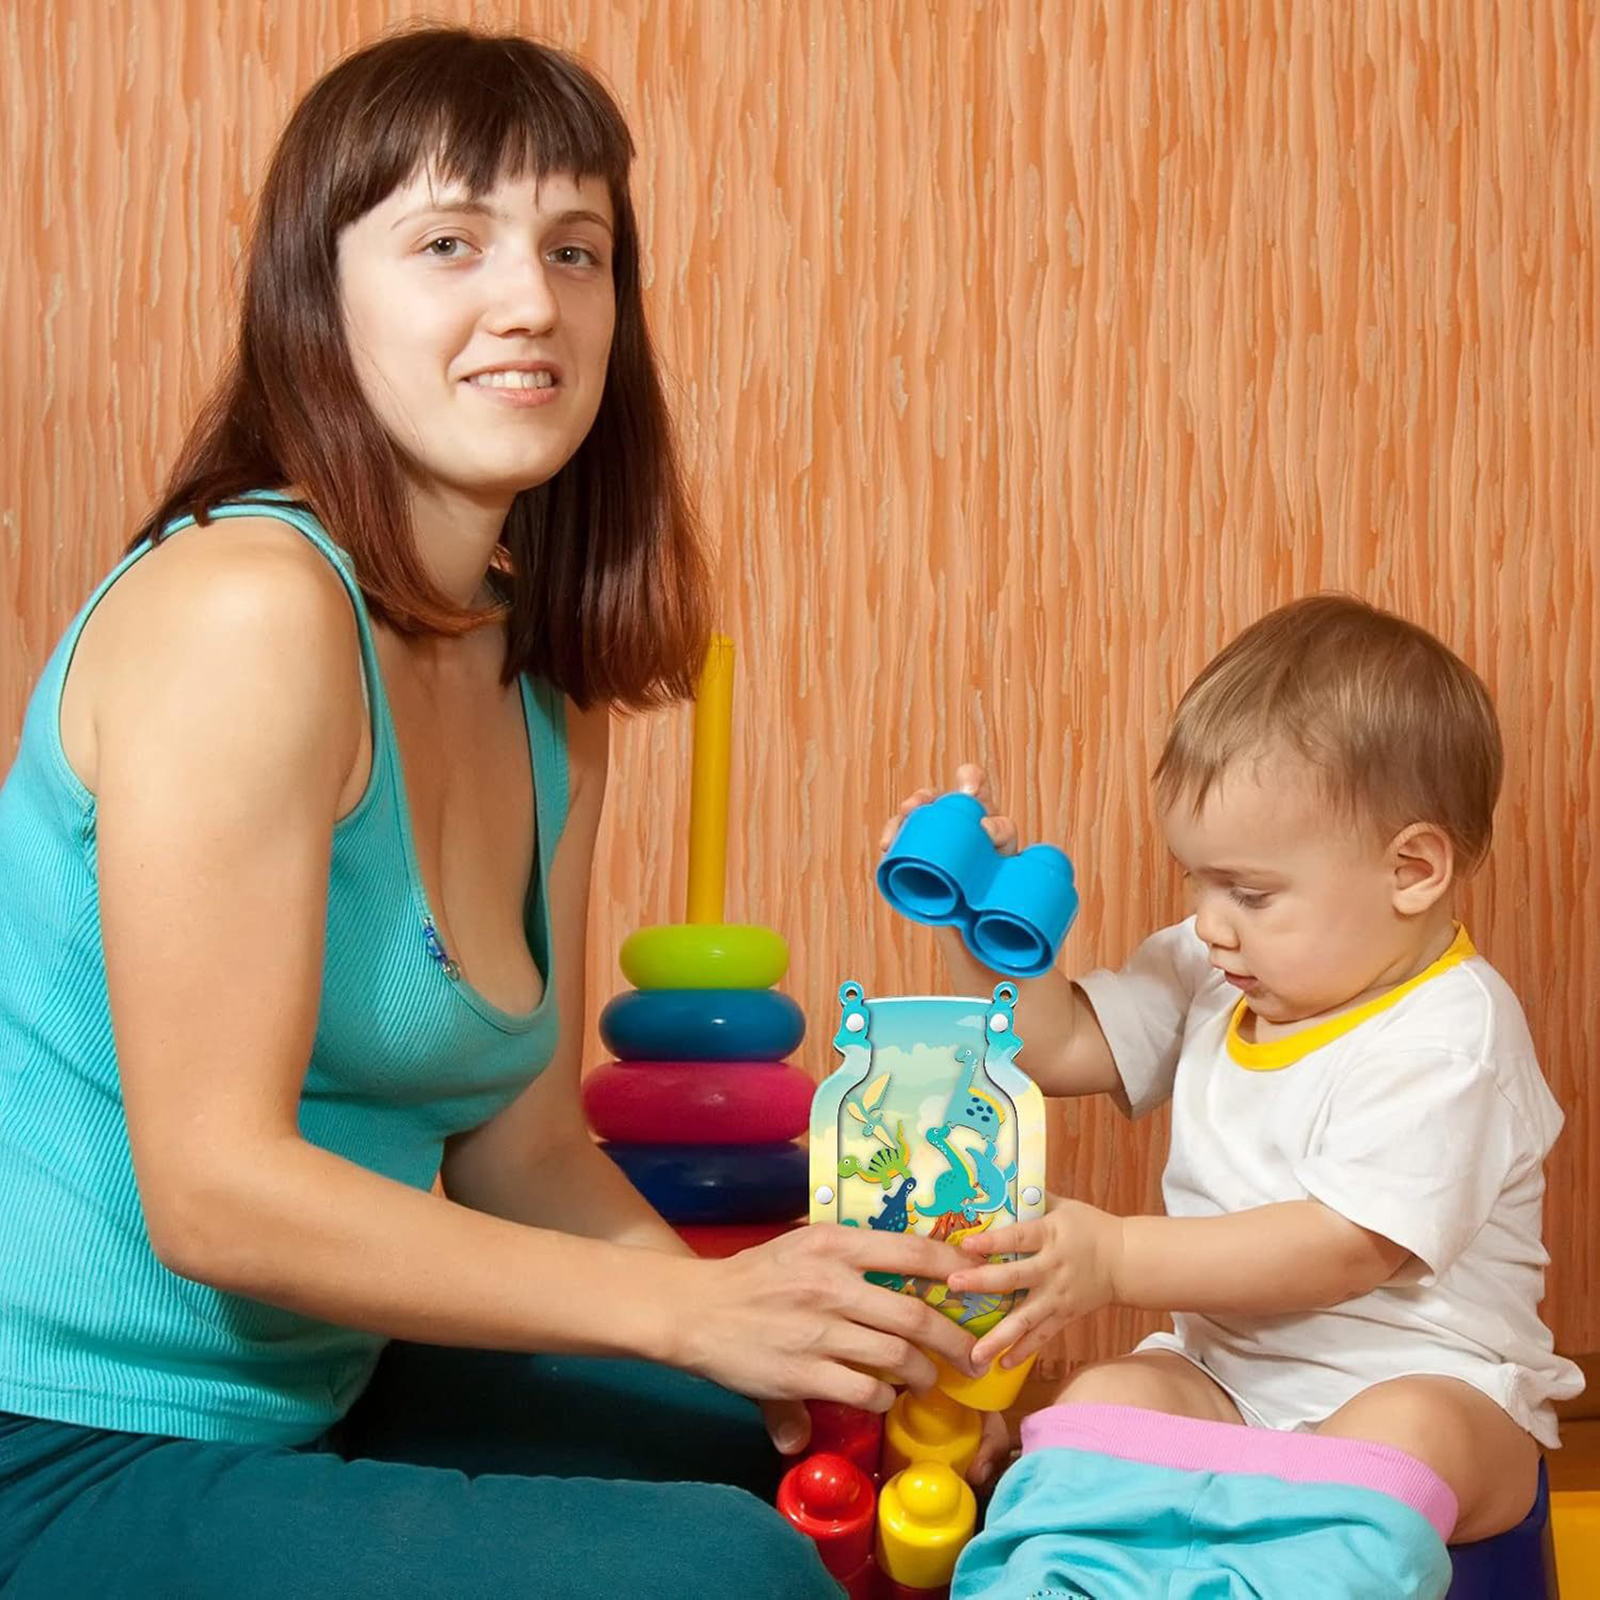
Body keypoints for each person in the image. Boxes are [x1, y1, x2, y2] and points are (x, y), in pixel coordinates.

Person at [0, 27, 978, 1597]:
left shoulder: (542, 687)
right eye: (450, 242)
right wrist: (689, 1311)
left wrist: (778, 1352)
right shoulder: (244, 610)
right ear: (316, 299)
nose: (532, 301)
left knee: (794, 1461)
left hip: (326, 1386)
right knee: (724, 1574)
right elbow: (214, 1194)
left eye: (574, 249)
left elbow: (525, 1152)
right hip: (55, 1440)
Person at [882, 596, 1583, 1595]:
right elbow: (1058, 1044)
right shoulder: (1219, 969)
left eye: (1249, 893)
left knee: (1406, 1428)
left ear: (1412, 870)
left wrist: (1117, 1256)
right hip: (1227, 1376)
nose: (1211, 924)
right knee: (1103, 1395)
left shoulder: (1451, 1034)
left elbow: (1347, 1248)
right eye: (1197, 883)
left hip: (1439, 1385)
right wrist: (984, 920)